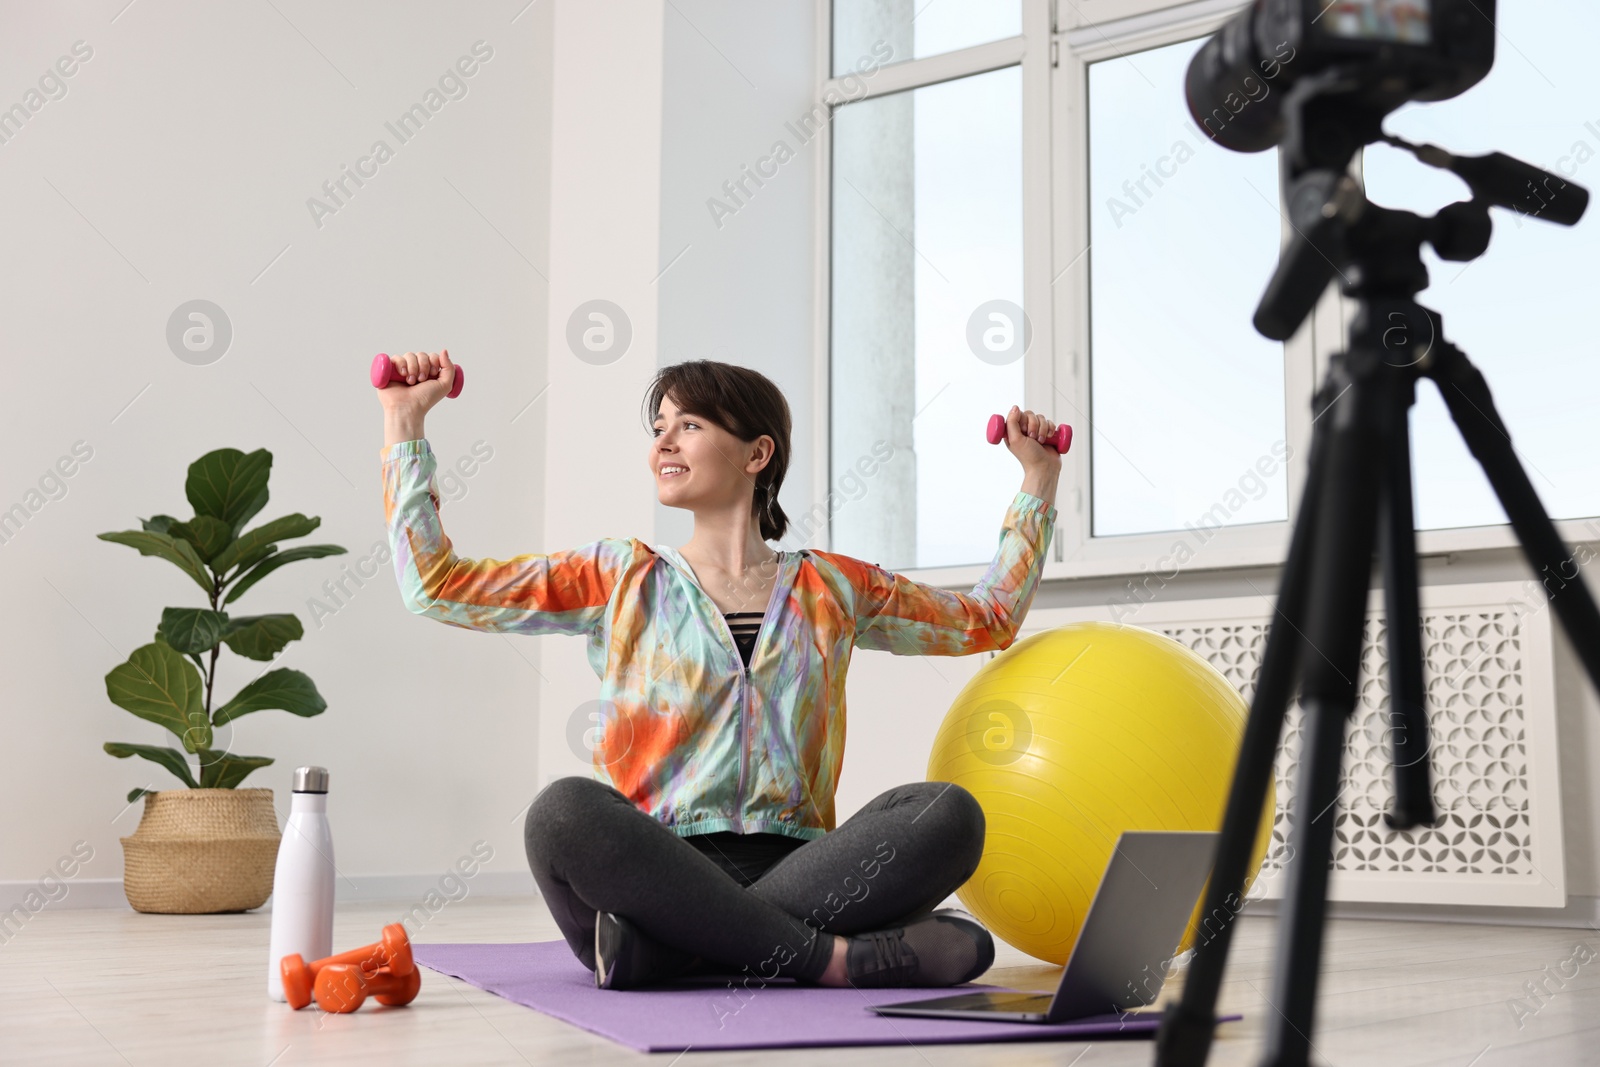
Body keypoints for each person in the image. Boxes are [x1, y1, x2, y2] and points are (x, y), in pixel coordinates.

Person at [377, 350, 1061, 993]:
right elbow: (434, 584)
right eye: (658, 427)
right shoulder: (619, 576)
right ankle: (828, 958)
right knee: (561, 812)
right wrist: (405, 423)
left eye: (689, 424)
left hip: (801, 866)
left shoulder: (834, 586)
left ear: (757, 453)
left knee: (950, 813)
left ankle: (678, 954)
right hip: (650, 871)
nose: (662, 443)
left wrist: (1038, 479)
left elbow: (986, 618)